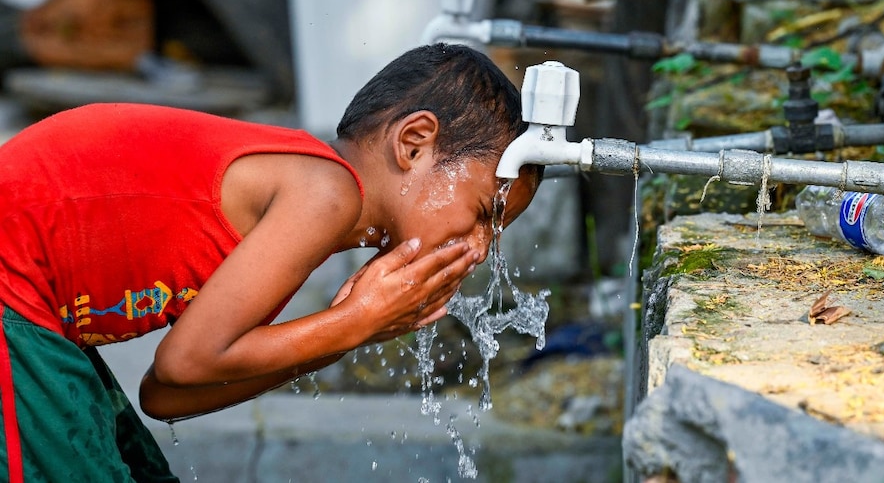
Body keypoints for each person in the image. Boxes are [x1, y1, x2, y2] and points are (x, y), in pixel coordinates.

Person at [0, 43, 542, 482]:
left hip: (33, 309)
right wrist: (352, 322)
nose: (480, 249)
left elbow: (165, 397)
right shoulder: (326, 193)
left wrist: (344, 333)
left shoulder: (305, 214)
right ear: (415, 144)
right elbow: (184, 365)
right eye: (481, 214)